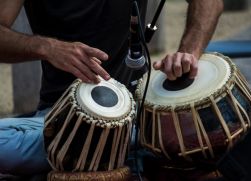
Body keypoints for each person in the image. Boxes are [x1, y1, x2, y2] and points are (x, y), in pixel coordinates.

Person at [0, 0, 224, 178]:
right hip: (59, 119)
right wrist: (48, 47)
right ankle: (131, 145)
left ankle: (116, 144)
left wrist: (188, 53)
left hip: (138, 111)